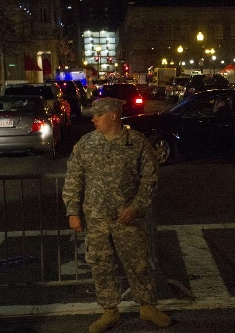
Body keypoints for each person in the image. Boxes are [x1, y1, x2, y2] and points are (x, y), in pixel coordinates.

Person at [62, 98, 172, 333]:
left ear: (113, 116)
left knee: (138, 263)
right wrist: (73, 211)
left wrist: (137, 206)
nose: (92, 119)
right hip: (96, 217)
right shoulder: (87, 143)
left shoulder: (137, 143)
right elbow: (74, 177)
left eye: (97, 115)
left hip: (128, 218)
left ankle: (148, 306)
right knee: (101, 265)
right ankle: (110, 312)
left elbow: (150, 178)